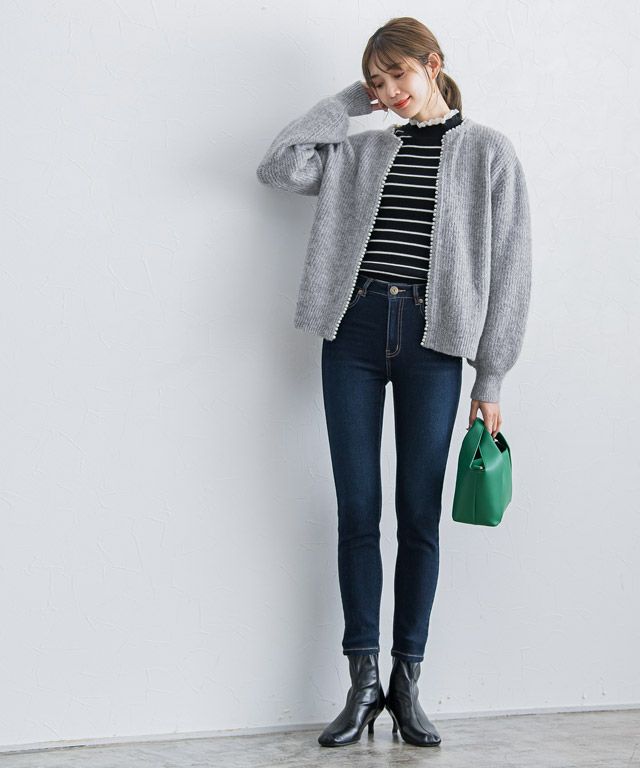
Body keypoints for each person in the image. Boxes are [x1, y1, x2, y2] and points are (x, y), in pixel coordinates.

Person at [256, 16, 532, 749]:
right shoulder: (362, 149)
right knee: (357, 510)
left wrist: (492, 376)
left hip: (433, 344)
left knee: (417, 516)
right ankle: (362, 684)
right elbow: (279, 166)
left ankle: (407, 684)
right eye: (377, 82)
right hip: (351, 334)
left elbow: (512, 270)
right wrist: (352, 102)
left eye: (398, 75)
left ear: (433, 64)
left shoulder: (489, 152)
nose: (390, 91)